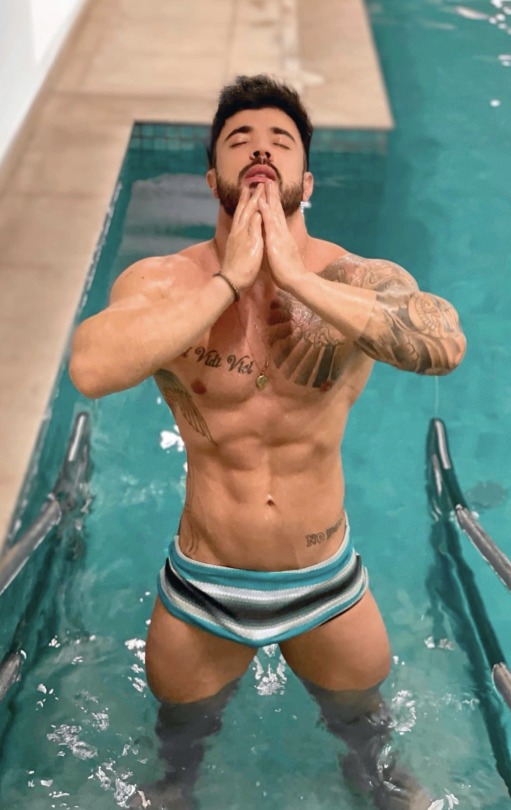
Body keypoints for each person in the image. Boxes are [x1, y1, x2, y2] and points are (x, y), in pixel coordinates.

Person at [70, 75, 466, 809]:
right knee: (176, 767)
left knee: (376, 767)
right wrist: (227, 282)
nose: (260, 150)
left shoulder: (355, 279)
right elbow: (91, 367)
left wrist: (297, 280)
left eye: (280, 141)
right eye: (239, 140)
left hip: (326, 582)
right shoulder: (168, 282)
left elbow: (443, 343)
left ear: (305, 181)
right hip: (204, 582)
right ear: (211, 177)